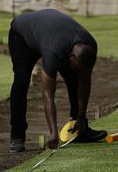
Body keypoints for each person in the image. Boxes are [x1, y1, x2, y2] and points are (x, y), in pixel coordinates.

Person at [8, 9, 107, 152]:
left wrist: (81, 116)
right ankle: (17, 135)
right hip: (22, 34)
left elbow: (84, 82)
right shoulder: (53, 52)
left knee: (75, 78)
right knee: (21, 82)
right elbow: (48, 95)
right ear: (71, 56)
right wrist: (53, 133)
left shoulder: (90, 45)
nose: (76, 69)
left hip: (49, 34)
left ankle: (80, 128)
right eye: (75, 65)